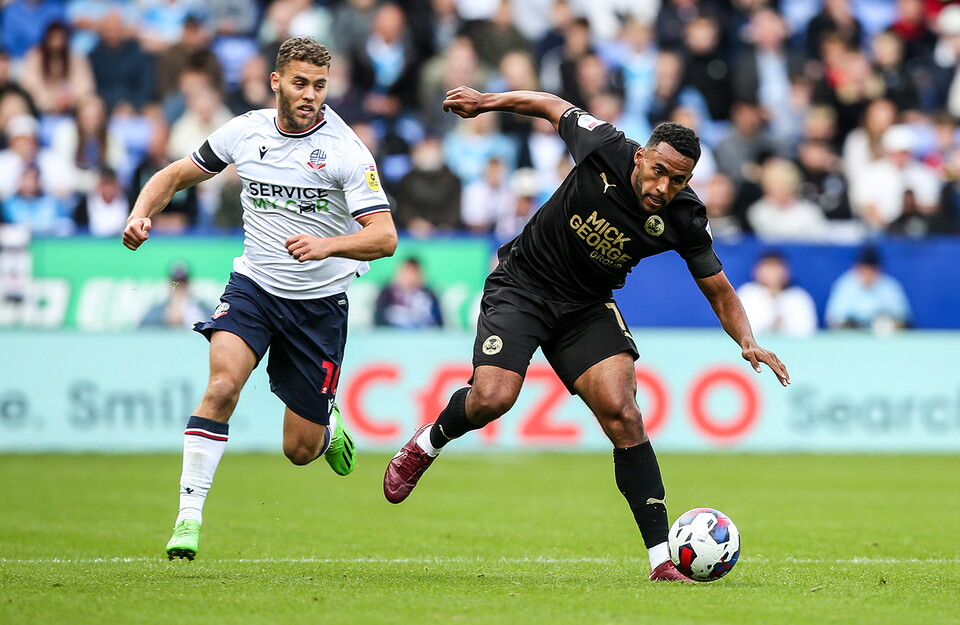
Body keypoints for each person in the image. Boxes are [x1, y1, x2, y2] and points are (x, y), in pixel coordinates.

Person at [383, 86, 789, 583]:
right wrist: (486, 102)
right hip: (523, 285)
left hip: (585, 307)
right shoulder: (605, 146)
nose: (664, 187)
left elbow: (720, 290)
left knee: (624, 415)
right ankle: (428, 442)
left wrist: (746, 340)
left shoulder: (685, 218)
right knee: (492, 397)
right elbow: (549, 104)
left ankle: (661, 559)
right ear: (641, 157)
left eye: (678, 180)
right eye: (658, 171)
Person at [122, 37, 398, 561]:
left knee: (299, 450)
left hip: (317, 306)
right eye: (300, 83)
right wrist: (142, 213)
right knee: (222, 386)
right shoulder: (245, 131)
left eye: (319, 86)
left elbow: (385, 238)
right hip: (254, 288)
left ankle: (327, 419)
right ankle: (188, 517)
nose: (310, 95)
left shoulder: (345, 152)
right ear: (276, 81)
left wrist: (327, 245)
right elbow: (176, 174)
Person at [825, 246, 911, 331]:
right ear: (856, 268)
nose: (867, 275)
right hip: (851, 338)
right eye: (864, 270)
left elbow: (904, 320)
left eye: (871, 270)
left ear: (879, 270)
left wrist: (887, 324)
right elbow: (833, 319)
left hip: (883, 338)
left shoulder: (890, 287)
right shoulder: (845, 285)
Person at [737, 251, 818, 338]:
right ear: (756, 271)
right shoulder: (747, 293)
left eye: (776, 267)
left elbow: (808, 331)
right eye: (768, 267)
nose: (772, 273)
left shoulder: (798, 297)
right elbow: (740, 329)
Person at [373, 257, 443, 329]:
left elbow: (438, 322)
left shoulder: (429, 295)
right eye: (407, 272)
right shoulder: (387, 293)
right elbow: (378, 319)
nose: (410, 277)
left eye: (413, 272)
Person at [139, 263, 211, 329]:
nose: (179, 287)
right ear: (169, 285)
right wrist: (164, 320)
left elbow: (214, 325)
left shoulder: (201, 309)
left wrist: (188, 319)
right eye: (175, 283)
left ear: (188, 285)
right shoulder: (157, 310)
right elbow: (141, 328)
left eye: (182, 283)